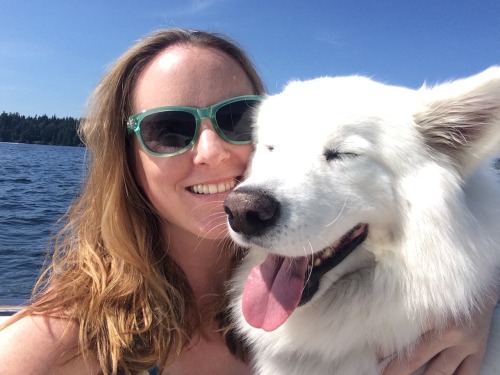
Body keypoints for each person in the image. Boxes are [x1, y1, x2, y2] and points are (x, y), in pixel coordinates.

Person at [0, 28, 496, 375]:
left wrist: (480, 295)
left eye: (238, 119)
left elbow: (456, 214)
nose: (212, 153)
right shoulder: (50, 349)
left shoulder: (295, 268)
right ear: (127, 157)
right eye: (168, 130)